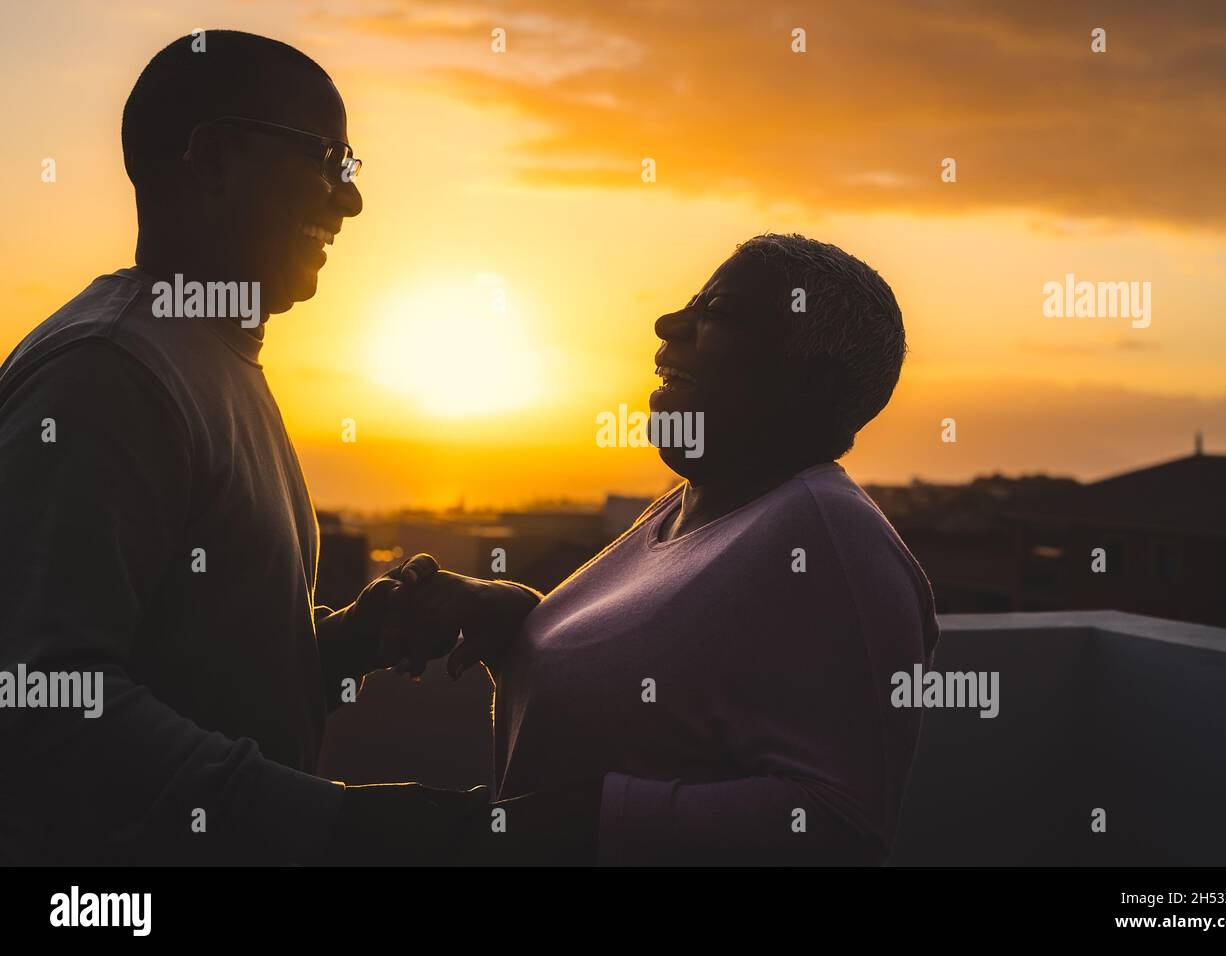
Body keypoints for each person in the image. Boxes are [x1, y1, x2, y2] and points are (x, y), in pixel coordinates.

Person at [0, 31, 518, 865]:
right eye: (329, 160)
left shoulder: (206, 356)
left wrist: (346, 641)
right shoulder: (111, 374)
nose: (350, 202)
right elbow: (44, 701)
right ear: (212, 160)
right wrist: (348, 825)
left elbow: (181, 669)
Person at [410, 234, 940, 865]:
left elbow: (840, 826)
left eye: (716, 314)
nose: (668, 324)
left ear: (811, 382)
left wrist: (583, 821)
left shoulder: (833, 540)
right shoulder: (688, 509)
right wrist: (521, 628)